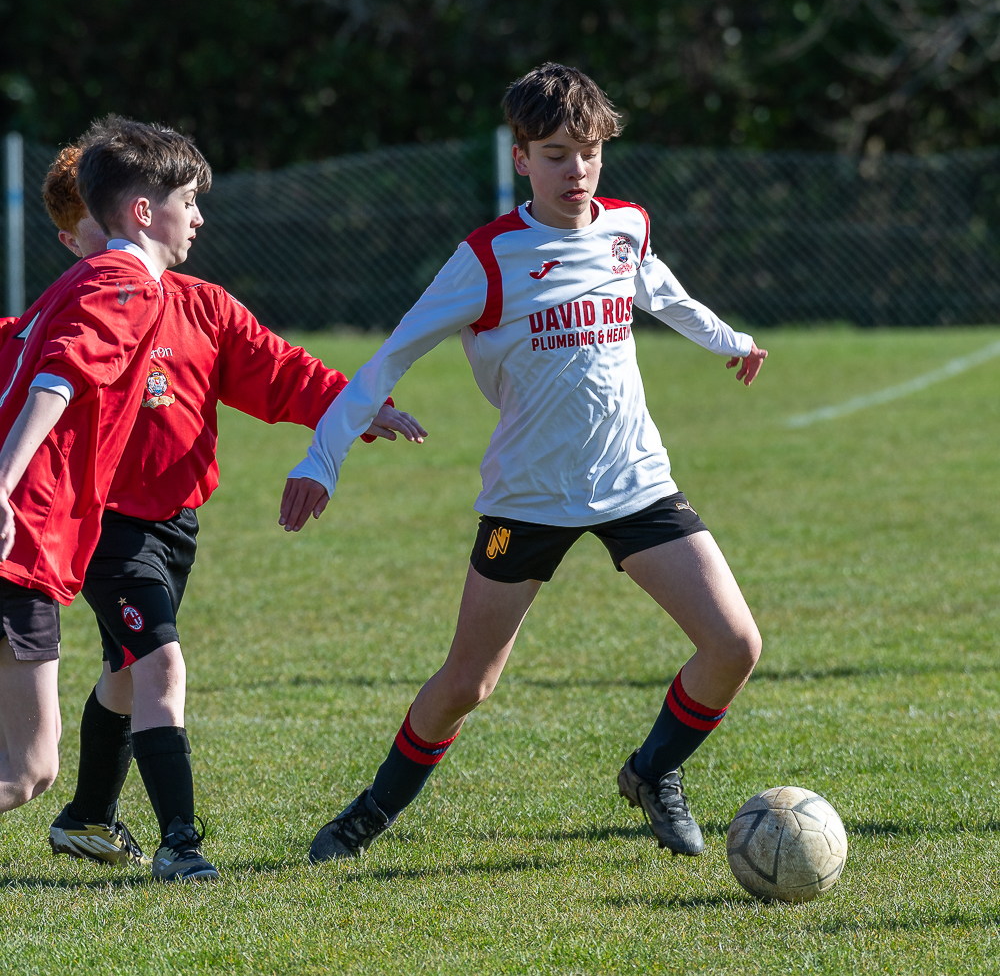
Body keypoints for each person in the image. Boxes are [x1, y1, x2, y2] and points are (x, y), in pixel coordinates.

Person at [279, 63, 768, 863]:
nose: (576, 171)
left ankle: (653, 771)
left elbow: (659, 289)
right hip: (528, 499)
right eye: (555, 155)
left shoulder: (626, 227)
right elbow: (388, 359)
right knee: (468, 682)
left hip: (635, 482)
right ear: (521, 159)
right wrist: (322, 458)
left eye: (589, 152)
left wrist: (730, 340)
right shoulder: (487, 258)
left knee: (736, 645)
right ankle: (369, 813)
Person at [39, 141, 426, 882]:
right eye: (94, 235)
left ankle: (86, 817)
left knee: (126, 673)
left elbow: (280, 371)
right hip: (103, 524)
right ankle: (180, 844)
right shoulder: (72, 317)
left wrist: (357, 408)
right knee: (159, 664)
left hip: (176, 524)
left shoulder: (201, 306)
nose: (110, 253)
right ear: (81, 236)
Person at [0, 116, 205, 841]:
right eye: (188, 201)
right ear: (144, 211)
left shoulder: (79, 278)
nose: (198, 218)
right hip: (22, 534)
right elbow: (58, 380)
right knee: (26, 770)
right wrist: (4, 484)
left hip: (27, 533)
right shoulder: (129, 284)